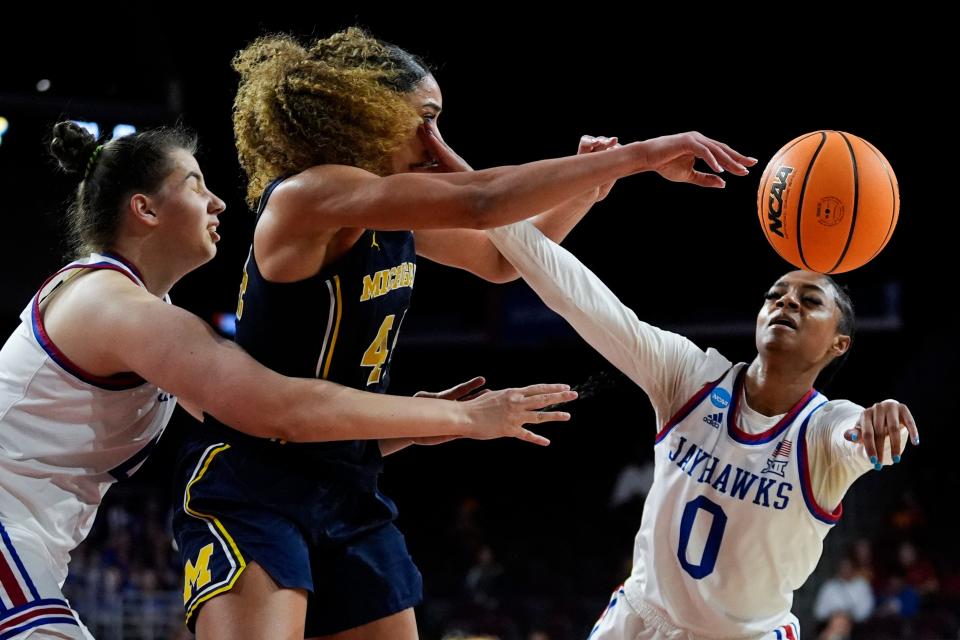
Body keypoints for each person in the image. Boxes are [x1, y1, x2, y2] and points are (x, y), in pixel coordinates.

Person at [171, 27, 756, 640]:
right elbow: (481, 201)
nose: (435, 141)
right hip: (254, 480)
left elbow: (501, 259)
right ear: (363, 113)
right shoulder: (308, 196)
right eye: (424, 120)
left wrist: (588, 186)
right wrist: (640, 156)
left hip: (346, 477)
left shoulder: (387, 211)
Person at [0, 121, 573, 640]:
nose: (218, 201)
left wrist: (410, 428)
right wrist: (462, 417)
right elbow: (280, 409)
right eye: (196, 184)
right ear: (146, 210)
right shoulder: (113, 304)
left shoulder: (146, 311)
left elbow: (268, 434)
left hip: (36, 548)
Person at [484, 220, 920, 639]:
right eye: (775, 296)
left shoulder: (822, 429)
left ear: (838, 343)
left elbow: (859, 436)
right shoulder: (689, 377)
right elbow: (581, 297)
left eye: (809, 301)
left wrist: (883, 426)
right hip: (640, 620)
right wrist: (486, 206)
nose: (786, 303)